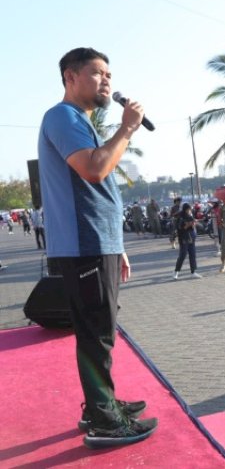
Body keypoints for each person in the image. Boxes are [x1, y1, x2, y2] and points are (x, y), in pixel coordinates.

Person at [37, 47, 156, 448]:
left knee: (100, 329)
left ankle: (100, 404)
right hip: (84, 244)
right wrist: (127, 129)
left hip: (97, 242)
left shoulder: (80, 121)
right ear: (70, 77)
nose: (106, 80)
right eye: (97, 73)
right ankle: (105, 421)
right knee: (96, 334)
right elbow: (94, 169)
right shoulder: (62, 117)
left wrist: (116, 243)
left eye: (109, 74)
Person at [173, 203, 202, 280]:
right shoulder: (180, 217)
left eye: (190, 209)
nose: (190, 210)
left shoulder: (190, 215)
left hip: (192, 238)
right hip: (184, 238)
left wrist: (194, 224)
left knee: (193, 255)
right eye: (189, 209)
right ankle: (176, 272)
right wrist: (188, 225)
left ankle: (193, 272)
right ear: (185, 209)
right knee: (182, 255)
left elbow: (196, 226)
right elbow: (180, 228)